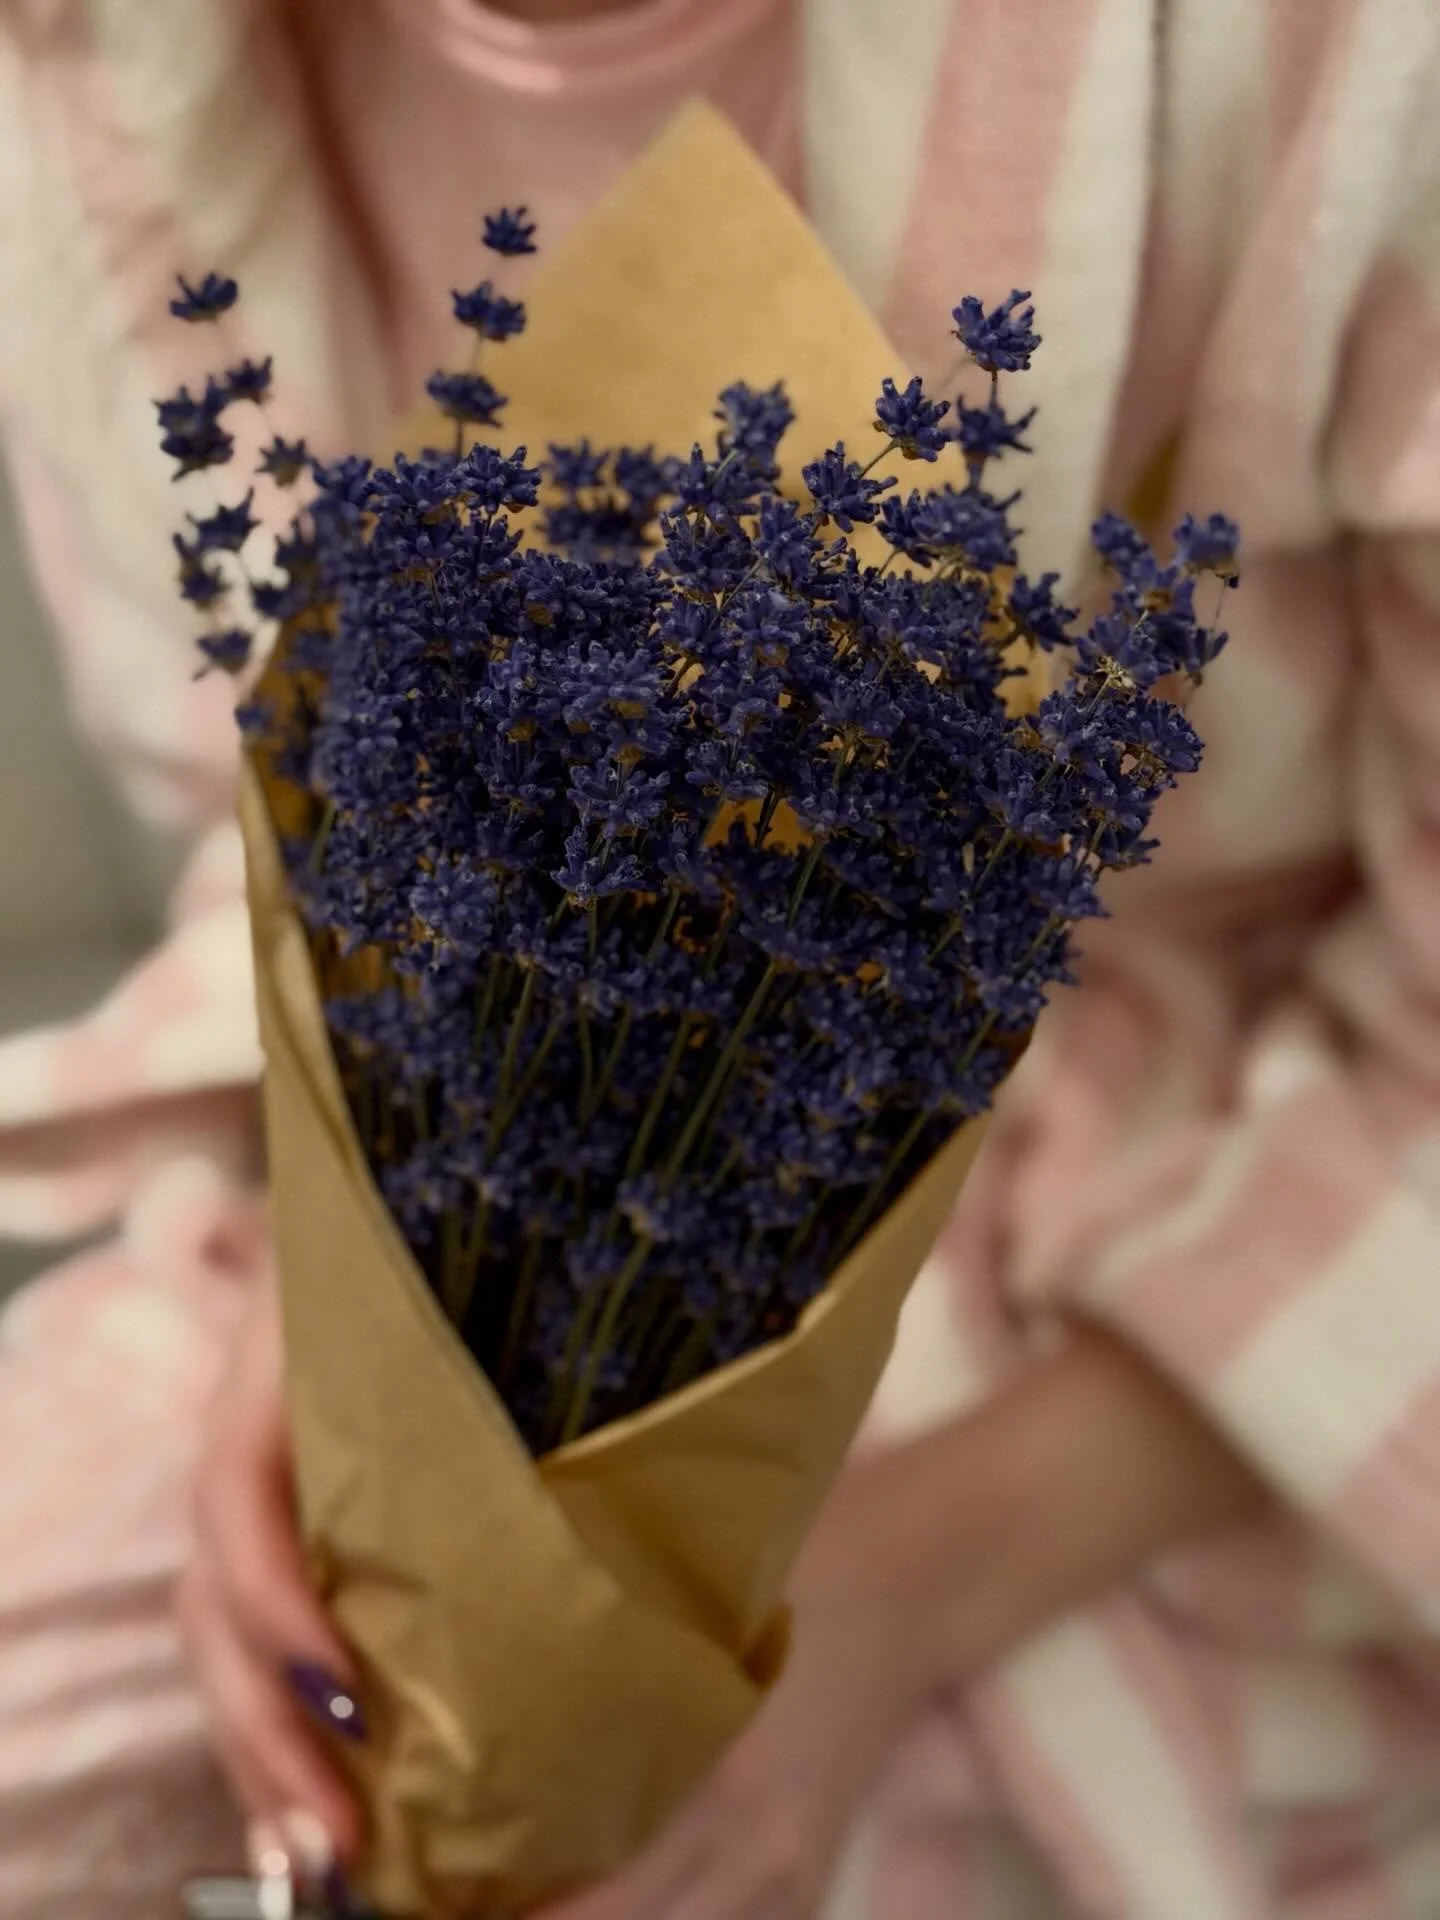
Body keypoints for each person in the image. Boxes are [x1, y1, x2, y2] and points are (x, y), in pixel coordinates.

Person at [1, 1, 1438, 1914]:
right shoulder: (111, 54)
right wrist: (338, 1317)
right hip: (456, 1152)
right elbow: (267, 806)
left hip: (1185, 1260)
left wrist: (901, 1590)